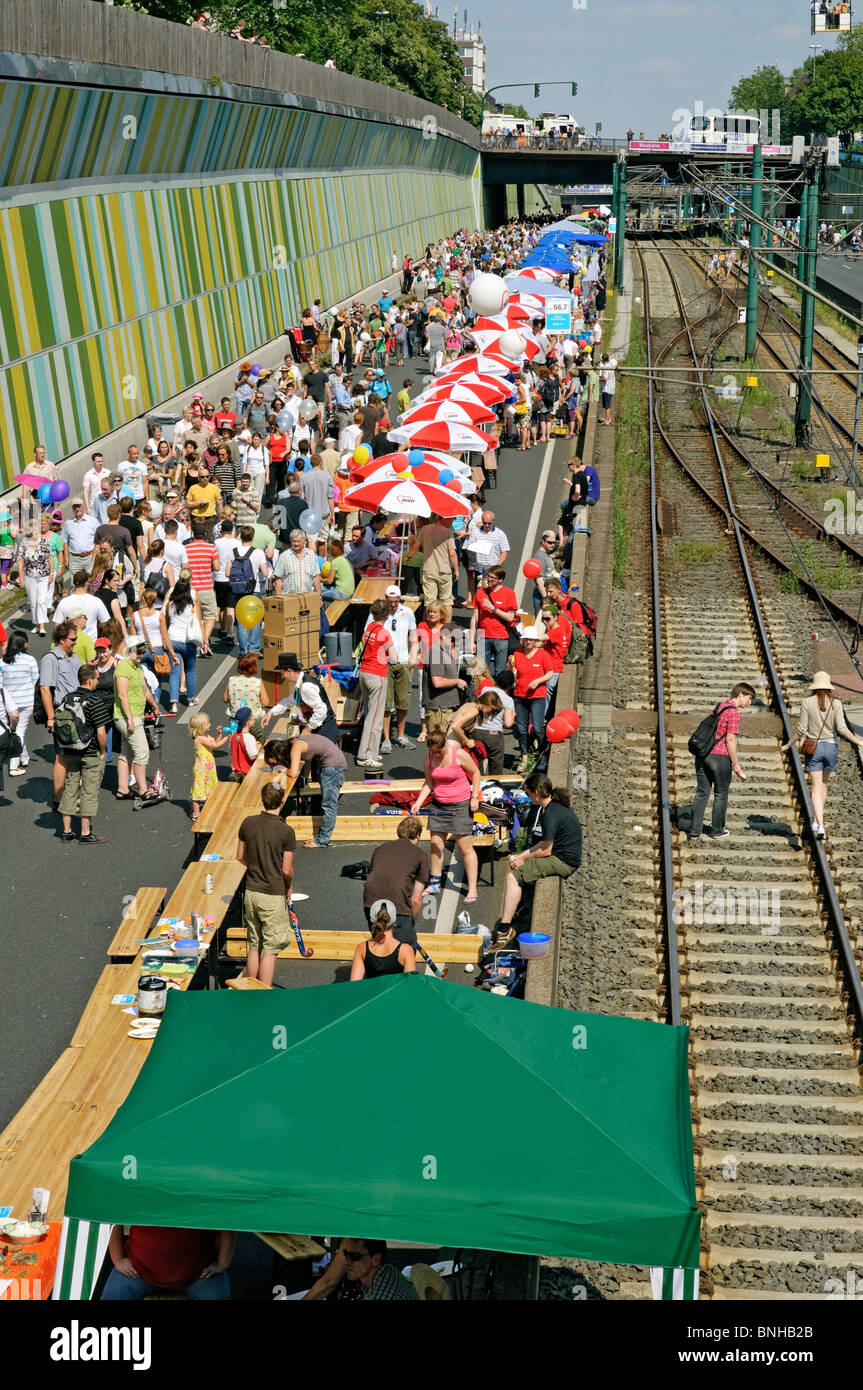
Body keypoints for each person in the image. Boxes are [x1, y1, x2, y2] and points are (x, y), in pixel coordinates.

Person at [492, 773, 582, 946]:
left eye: (527, 793)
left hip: (563, 862)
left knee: (513, 877)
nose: (526, 796)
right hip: (565, 855)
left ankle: (505, 929)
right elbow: (544, 843)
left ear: (536, 793)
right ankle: (516, 914)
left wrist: (523, 858)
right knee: (520, 866)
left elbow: (546, 850)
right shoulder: (554, 806)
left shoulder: (550, 815)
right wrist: (523, 855)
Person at [781, 671, 863, 838]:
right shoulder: (836, 704)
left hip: (814, 749)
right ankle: (817, 820)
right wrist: (859, 741)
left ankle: (820, 824)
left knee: (816, 787)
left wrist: (788, 744)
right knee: (823, 785)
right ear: (828, 687)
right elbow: (842, 729)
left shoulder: (807, 703)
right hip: (831, 749)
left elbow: (801, 730)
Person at [236, 782, 297, 986]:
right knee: (271, 949)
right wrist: (287, 886)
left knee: (254, 944)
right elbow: (286, 870)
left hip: (251, 891)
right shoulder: (285, 831)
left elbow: (240, 856)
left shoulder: (248, 823)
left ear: (262, 799)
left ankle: (251, 989)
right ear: (282, 801)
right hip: (272, 893)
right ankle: (264, 994)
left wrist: (254, 867)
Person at [411, 728, 480, 902]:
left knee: (465, 848)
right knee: (436, 844)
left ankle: (472, 888)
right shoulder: (428, 758)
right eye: (433, 752)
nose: (437, 755)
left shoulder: (459, 755)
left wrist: (474, 797)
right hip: (439, 804)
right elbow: (429, 782)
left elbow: (476, 773)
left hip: (460, 804)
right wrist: (419, 802)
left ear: (446, 744)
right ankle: (434, 882)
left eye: (439, 751)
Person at [688, 682, 756, 842]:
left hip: (703, 755)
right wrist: (736, 763)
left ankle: (694, 832)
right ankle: (717, 830)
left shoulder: (721, 706)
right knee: (721, 794)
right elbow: (730, 739)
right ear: (740, 694)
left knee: (701, 792)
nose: (750, 702)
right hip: (719, 757)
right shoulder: (734, 713)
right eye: (749, 698)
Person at [102, 1226, 235, 1302]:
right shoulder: (141, 1188)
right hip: (139, 1270)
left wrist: (223, 1263)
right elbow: (114, 1220)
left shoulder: (202, 1187)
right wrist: (118, 1259)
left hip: (198, 1273)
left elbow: (226, 1223)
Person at [265, 727, 347, 848]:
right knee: (328, 804)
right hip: (335, 764)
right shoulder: (293, 741)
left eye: (274, 762)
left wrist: (282, 769)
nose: (274, 764)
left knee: (329, 806)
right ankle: (322, 836)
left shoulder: (296, 748)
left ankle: (322, 840)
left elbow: (292, 773)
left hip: (333, 768)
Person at [56, 664, 109, 843]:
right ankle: (85, 833)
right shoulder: (95, 701)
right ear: (90, 680)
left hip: (71, 751)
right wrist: (103, 751)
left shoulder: (68, 698)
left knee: (70, 787)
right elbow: (101, 732)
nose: (98, 681)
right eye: (97, 678)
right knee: (89, 790)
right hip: (90, 752)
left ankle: (66, 830)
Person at [362, 817, 429, 947]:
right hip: (398, 907)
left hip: (370, 903)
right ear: (418, 835)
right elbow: (416, 899)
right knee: (407, 949)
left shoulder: (379, 849)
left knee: (379, 944)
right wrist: (410, 924)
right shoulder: (421, 855)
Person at [39, 620, 82, 806]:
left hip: (78, 712)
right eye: (72, 639)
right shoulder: (51, 659)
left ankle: (71, 794)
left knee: (74, 755)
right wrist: (51, 717)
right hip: (63, 713)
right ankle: (58, 799)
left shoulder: (73, 657)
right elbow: (45, 689)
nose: (75, 642)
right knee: (62, 756)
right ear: (62, 639)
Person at [113, 635, 162, 800]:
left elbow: (145, 690)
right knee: (142, 752)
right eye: (138, 652)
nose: (141, 655)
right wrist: (130, 719)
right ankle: (143, 790)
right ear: (129, 651)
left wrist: (155, 706)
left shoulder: (138, 669)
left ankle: (122, 789)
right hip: (127, 717)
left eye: (143, 652)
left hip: (136, 714)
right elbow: (122, 695)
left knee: (126, 753)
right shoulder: (123, 668)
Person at [372, 585, 418, 754]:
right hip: (384, 663)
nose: (392, 605)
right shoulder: (376, 613)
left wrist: (412, 660)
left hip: (404, 662)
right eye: (390, 601)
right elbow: (367, 635)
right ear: (385, 598)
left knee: (403, 702)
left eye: (396, 602)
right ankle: (386, 739)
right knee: (386, 703)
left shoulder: (407, 613)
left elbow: (414, 639)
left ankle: (400, 735)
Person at [302, 1237, 419, 1301]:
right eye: (345, 1254)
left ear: (375, 1260)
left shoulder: (379, 1296)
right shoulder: (388, 1271)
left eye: (355, 1257)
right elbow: (328, 1282)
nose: (347, 1261)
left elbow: (329, 1282)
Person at [159, 572, 204, 714]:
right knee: (190, 671)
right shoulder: (191, 604)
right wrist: (204, 641)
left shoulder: (170, 604)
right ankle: (190, 699)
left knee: (174, 673)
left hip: (173, 640)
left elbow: (165, 621)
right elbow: (199, 620)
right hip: (188, 641)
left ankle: (173, 703)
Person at [356, 598, 393, 771]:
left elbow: (364, 642)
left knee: (369, 714)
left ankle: (370, 750)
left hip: (364, 672)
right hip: (377, 674)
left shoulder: (369, 628)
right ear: (387, 613)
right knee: (375, 719)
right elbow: (393, 656)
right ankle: (366, 755)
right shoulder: (384, 632)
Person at [511, 626, 554, 772]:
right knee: (522, 729)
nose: (529, 641)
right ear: (522, 640)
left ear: (536, 641)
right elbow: (512, 672)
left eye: (531, 639)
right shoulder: (517, 654)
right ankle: (525, 758)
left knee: (538, 727)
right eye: (526, 639)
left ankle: (542, 757)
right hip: (520, 695)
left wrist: (538, 681)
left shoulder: (543, 655)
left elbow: (550, 673)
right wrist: (510, 668)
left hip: (537, 696)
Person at [0, 632, 39, 776]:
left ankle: (24, 756)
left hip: (8, 703)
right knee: (19, 731)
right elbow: (35, 680)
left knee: (15, 730)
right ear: (24, 644)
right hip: (26, 701)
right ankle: (13, 766)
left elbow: (1, 685)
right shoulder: (30, 660)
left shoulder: (2, 662)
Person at [470, 566, 518, 675]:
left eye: (493, 578)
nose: (489, 579)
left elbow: (510, 617)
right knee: (478, 672)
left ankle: (497, 692)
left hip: (500, 638)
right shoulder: (480, 593)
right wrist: (471, 641)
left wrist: (494, 609)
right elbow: (474, 618)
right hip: (482, 636)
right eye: (488, 576)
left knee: (500, 673)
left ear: (500, 580)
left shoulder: (509, 593)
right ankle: (477, 692)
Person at [349, 902, 416, 980]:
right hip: (396, 992)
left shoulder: (362, 948)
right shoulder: (405, 950)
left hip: (373, 992)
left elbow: (354, 985)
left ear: (373, 920)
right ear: (394, 919)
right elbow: (410, 984)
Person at [408, 516, 458, 618]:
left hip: (429, 569)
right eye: (451, 521)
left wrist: (408, 556)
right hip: (444, 570)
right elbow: (452, 553)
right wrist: (456, 570)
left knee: (429, 601)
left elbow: (416, 545)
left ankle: (429, 627)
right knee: (447, 601)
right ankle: (447, 627)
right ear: (444, 519)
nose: (451, 523)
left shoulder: (425, 529)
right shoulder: (448, 533)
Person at [449, 688, 506, 774]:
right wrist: (467, 741)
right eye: (492, 710)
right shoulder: (474, 710)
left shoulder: (469, 704)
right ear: (488, 704)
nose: (491, 713)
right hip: (454, 742)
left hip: (450, 739)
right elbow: (455, 726)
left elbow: (449, 718)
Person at [189, 711, 228, 822]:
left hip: (207, 768)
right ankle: (196, 813)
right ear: (201, 727)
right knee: (198, 789)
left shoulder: (205, 736)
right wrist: (228, 737)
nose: (210, 724)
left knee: (206, 786)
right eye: (207, 724)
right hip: (201, 769)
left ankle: (193, 809)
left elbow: (214, 741)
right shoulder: (199, 739)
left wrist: (219, 734)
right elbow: (215, 745)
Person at [17, 521, 55, 635]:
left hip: (43, 576)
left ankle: (42, 626)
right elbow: (21, 561)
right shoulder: (24, 544)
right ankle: (36, 625)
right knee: (33, 602)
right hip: (30, 576)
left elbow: (50, 558)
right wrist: (21, 577)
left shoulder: (44, 542)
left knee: (41, 600)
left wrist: (52, 573)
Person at [223, 652, 270, 739]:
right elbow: (265, 702)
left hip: (235, 720)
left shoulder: (232, 680)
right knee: (257, 744)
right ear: (254, 667)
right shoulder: (257, 682)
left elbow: (225, 699)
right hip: (254, 719)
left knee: (238, 744)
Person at [273, 529, 321, 596]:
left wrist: (319, 596)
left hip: (307, 597)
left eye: (298, 541)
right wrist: (278, 598)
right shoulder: (283, 556)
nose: (296, 544)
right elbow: (278, 579)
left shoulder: (311, 555)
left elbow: (316, 577)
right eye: (293, 541)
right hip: (289, 598)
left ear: (304, 541)